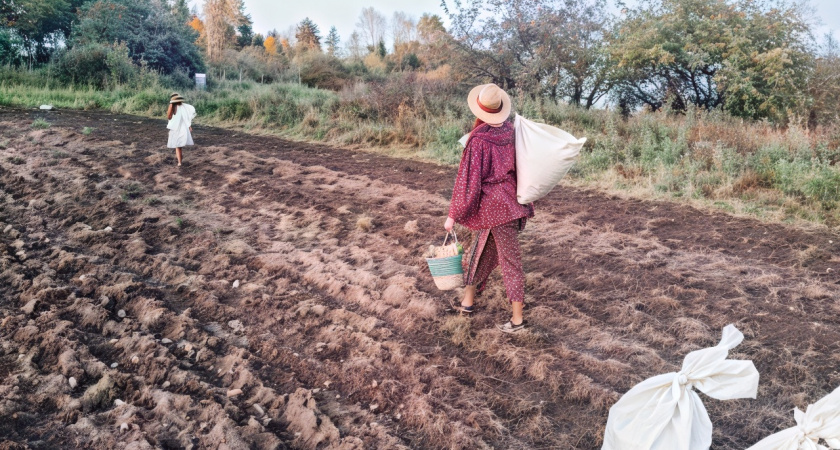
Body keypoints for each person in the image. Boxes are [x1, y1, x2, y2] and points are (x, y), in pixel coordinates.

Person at [444, 83, 534, 334]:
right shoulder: (512, 132)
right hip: (511, 204)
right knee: (479, 252)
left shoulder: (478, 140)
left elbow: (468, 182)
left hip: (493, 208)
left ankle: (517, 321)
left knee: (510, 263)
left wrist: (452, 215)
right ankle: (467, 302)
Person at [167, 94, 196, 167]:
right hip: (178, 127)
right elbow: (170, 117)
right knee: (178, 146)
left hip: (180, 127)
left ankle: (179, 162)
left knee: (178, 145)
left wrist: (189, 126)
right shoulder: (175, 106)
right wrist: (189, 126)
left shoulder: (180, 106)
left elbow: (186, 117)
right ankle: (179, 162)